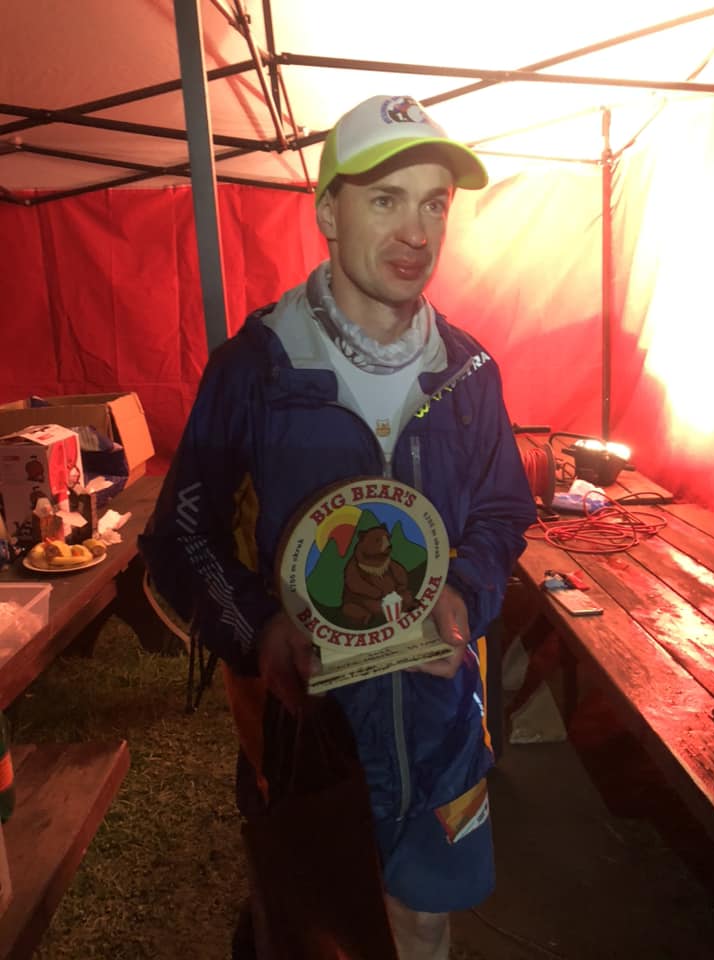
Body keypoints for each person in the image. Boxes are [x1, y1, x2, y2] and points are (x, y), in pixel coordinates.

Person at [140, 93, 536, 960]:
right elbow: (179, 539)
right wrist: (260, 631)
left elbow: (505, 509)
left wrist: (464, 590)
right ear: (328, 212)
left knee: (424, 926)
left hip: (440, 730)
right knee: (321, 928)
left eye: (435, 203)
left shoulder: (469, 372)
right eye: (386, 199)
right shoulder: (257, 369)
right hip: (317, 737)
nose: (417, 232)